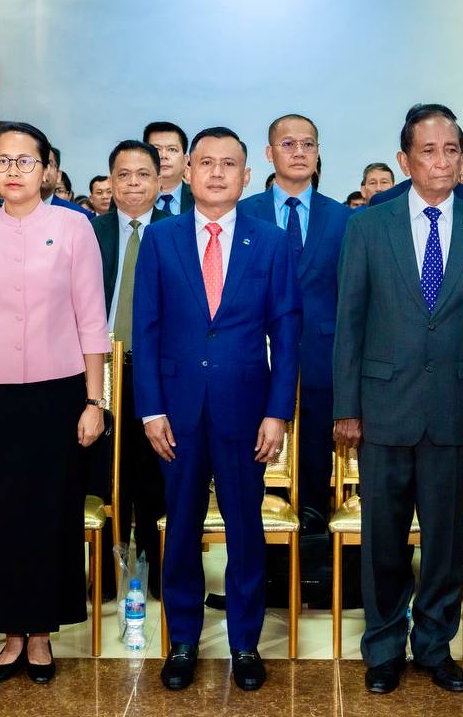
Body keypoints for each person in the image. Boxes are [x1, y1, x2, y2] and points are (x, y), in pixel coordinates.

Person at [333, 103, 463, 696]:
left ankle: (435, 644)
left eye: (451, 150)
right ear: (405, 159)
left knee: (446, 541)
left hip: (455, 411)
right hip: (383, 406)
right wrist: (347, 408)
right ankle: (384, 646)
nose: (441, 161)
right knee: (383, 539)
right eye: (428, 151)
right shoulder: (368, 226)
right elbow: (350, 322)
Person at [0, 121, 108, 686]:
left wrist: (94, 400)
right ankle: (9, 635)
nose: (12, 171)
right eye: (2, 161)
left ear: (46, 169)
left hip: (57, 395)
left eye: (24, 161)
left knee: (49, 513)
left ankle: (40, 634)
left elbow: (92, 321)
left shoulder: (74, 227)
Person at [133, 126, 300, 692]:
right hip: (175, 413)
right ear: (186, 172)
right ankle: (182, 640)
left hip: (246, 411)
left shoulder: (270, 241)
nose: (217, 173)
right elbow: (146, 330)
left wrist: (277, 412)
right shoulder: (160, 239)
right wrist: (150, 410)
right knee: (180, 527)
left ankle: (244, 643)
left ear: (247, 176)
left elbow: (287, 331)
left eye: (229, 164)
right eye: (205, 163)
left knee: (245, 528)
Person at [240, 113, 350, 525]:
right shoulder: (243, 214)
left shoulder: (343, 218)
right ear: (270, 153)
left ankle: (312, 552)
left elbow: (350, 298)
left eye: (308, 144)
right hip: (257, 362)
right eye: (288, 144)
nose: (299, 152)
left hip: (321, 361)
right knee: (255, 470)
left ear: (318, 153)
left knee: (315, 471)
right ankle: (264, 556)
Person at [88, 139, 170, 600]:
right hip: (99, 370)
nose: (133, 183)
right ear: (110, 181)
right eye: (123, 174)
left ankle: (161, 575)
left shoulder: (177, 231)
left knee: (155, 475)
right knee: (101, 474)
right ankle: (102, 577)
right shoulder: (89, 231)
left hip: (157, 370)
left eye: (143, 174)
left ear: (159, 181)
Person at [143, 121, 195, 215]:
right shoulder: (129, 197)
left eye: (172, 149)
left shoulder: (200, 198)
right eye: (156, 149)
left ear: (185, 160)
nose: (163, 156)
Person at [38, 146, 92, 217]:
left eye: (49, 164)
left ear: (58, 175)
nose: (43, 169)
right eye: (37, 163)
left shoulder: (79, 214)